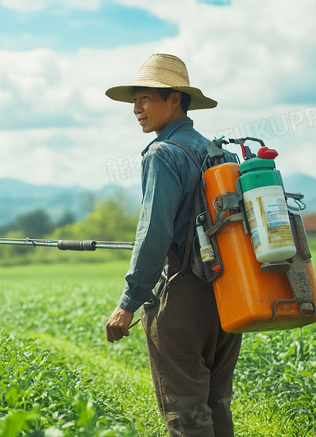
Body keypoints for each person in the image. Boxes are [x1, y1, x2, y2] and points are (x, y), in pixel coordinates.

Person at [103, 54, 243, 436]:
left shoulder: (162, 154)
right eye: (134, 100)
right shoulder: (223, 154)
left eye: (145, 98)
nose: (136, 109)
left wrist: (127, 304)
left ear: (174, 99)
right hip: (231, 294)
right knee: (216, 406)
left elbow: (154, 235)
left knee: (186, 414)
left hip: (184, 296)